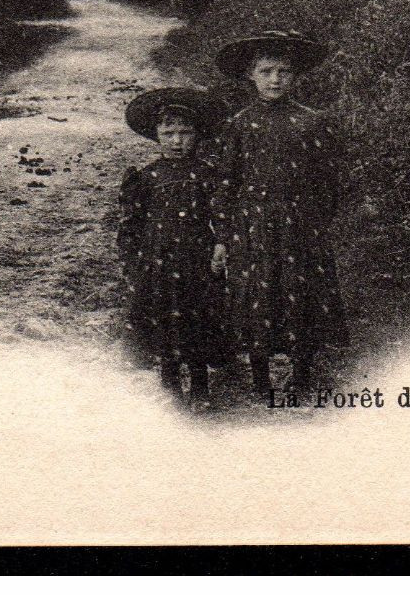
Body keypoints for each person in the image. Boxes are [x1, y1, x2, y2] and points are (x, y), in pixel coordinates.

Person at [211, 30, 349, 402]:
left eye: (284, 72)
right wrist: (224, 235)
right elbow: (226, 182)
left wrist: (317, 222)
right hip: (252, 225)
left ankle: (301, 373)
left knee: (301, 292)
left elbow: (330, 180)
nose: (275, 80)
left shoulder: (312, 122)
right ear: (250, 75)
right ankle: (260, 376)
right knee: (256, 293)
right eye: (266, 71)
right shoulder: (239, 124)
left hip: (302, 224)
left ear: (296, 76)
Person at [118, 87, 230, 407]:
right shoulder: (146, 176)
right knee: (163, 317)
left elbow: (222, 213)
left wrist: (221, 244)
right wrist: (131, 259)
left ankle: (199, 386)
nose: (177, 140)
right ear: (156, 135)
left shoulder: (209, 174)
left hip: (197, 258)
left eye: (185, 132)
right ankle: (168, 381)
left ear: (197, 135)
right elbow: (131, 223)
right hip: (159, 259)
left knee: (198, 319)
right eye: (168, 133)